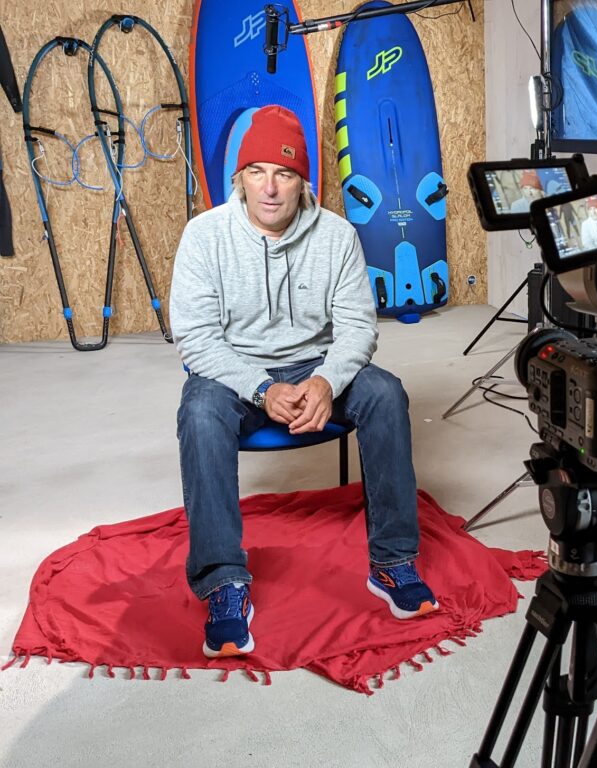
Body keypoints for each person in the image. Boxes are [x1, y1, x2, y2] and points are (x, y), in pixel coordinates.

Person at [170, 105, 438, 659]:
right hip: (235, 375)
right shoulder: (204, 236)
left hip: (316, 367)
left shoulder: (337, 235)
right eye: (258, 171)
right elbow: (196, 341)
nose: (270, 187)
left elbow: (358, 327)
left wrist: (324, 381)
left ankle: (392, 563)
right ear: (239, 178)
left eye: (285, 173)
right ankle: (224, 583)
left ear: (303, 181)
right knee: (198, 411)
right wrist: (262, 389)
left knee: (385, 392)